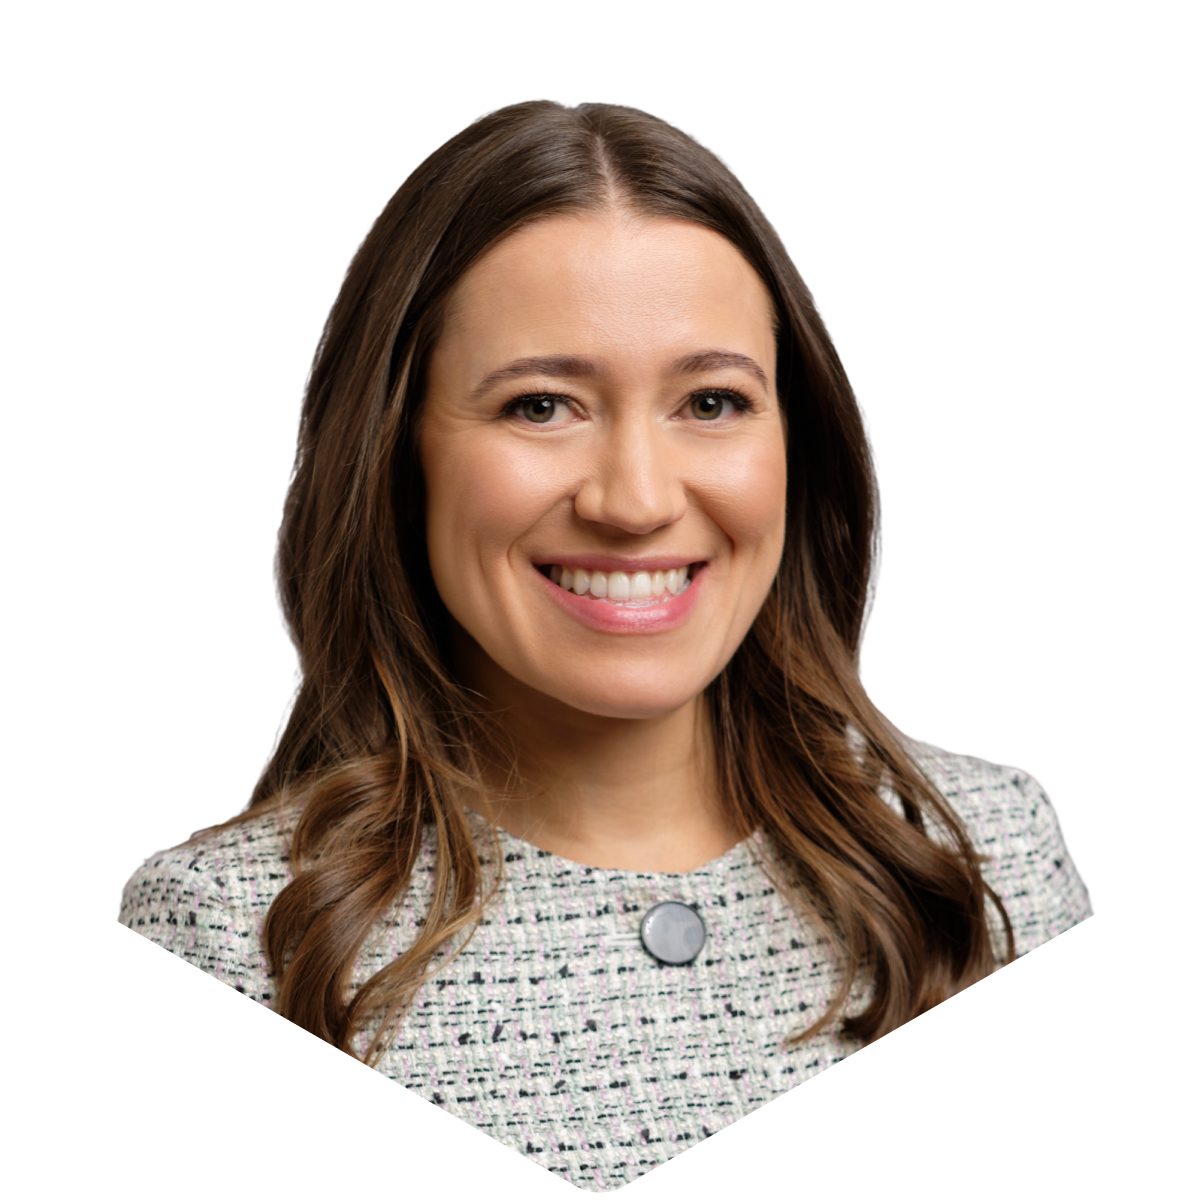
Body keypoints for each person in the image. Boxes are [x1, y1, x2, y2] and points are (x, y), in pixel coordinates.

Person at [116, 99, 1095, 1191]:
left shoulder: (988, 858)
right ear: (398, 456)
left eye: (712, 401)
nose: (634, 502)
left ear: (796, 447)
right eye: (542, 406)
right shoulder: (226, 932)